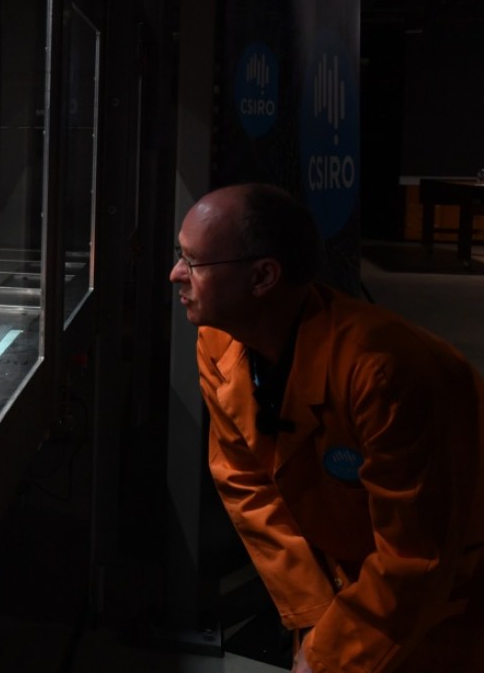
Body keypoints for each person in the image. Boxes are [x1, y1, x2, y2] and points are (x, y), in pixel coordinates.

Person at [172, 182, 484, 672]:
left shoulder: (384, 373)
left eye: (193, 263)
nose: (176, 275)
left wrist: (332, 655)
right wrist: (317, 620)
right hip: (354, 584)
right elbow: (246, 485)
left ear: (263, 277)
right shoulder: (218, 342)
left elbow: (415, 557)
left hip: (449, 592)